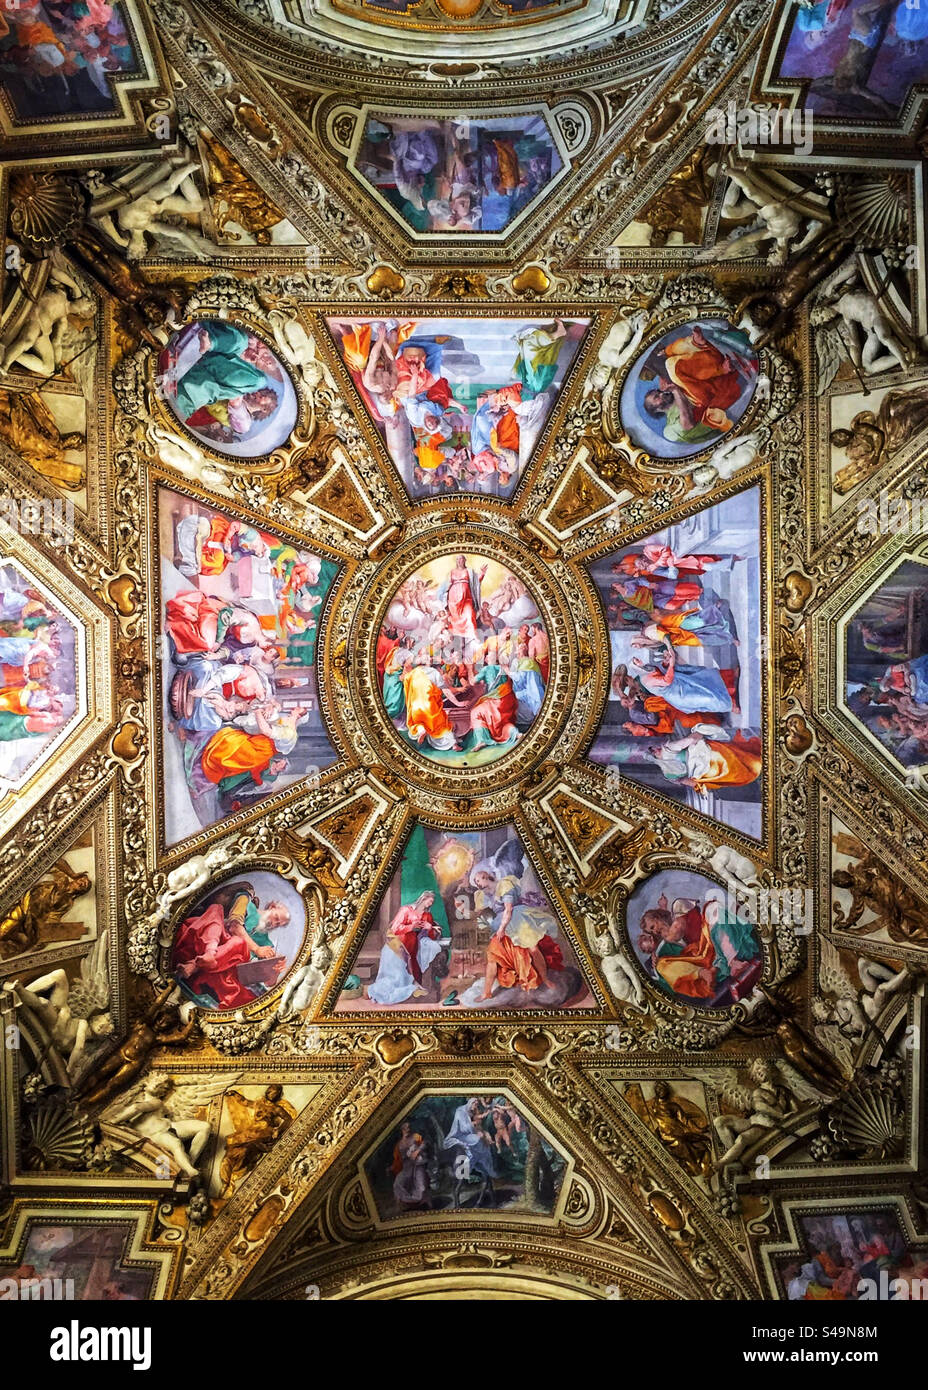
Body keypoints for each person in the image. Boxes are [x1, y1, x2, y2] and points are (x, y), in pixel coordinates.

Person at [367, 891, 445, 1004]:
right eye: (430, 901)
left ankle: (412, 987)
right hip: (398, 943)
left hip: (413, 945)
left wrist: (430, 928)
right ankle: (387, 989)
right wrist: (411, 927)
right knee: (395, 975)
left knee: (409, 968)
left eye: (432, 903)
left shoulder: (427, 916)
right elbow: (395, 928)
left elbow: (432, 936)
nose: (430, 904)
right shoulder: (406, 910)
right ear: (424, 898)